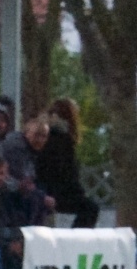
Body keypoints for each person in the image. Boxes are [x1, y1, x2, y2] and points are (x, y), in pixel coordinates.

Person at [35, 98, 99, 228]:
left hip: (46, 188)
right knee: (90, 208)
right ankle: (77, 237)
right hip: (56, 191)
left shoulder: (49, 136)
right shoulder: (62, 140)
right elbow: (65, 172)